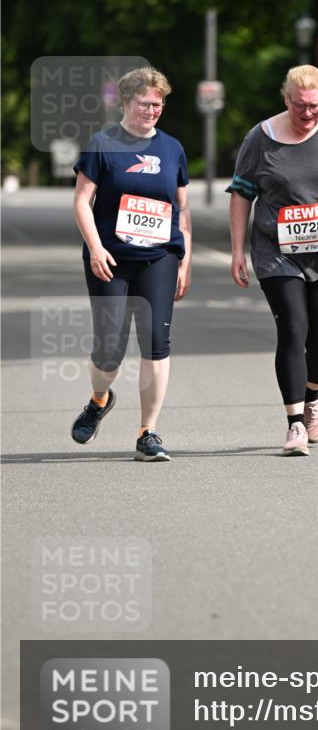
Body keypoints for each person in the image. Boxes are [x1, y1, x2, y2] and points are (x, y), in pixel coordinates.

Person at [227, 65, 318, 456]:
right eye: (299, 105)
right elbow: (241, 194)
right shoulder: (261, 137)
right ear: (286, 99)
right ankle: (294, 425)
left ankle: (312, 398)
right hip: (276, 251)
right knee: (293, 327)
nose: (307, 114)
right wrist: (238, 250)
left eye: (314, 105)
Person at [70, 67, 192, 461]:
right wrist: (94, 248)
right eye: (145, 103)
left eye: (159, 104)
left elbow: (182, 209)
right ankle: (98, 400)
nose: (153, 110)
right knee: (109, 349)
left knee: (157, 343)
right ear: (126, 102)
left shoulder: (172, 148)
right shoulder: (102, 143)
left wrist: (184, 260)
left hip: (159, 258)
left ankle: (148, 432)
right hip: (111, 259)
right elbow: (81, 202)